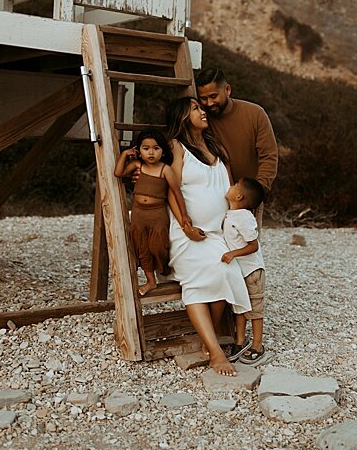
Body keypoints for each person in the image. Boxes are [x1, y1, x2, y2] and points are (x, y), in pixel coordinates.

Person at [163, 96, 251, 377]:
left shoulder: (216, 148)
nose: (203, 111)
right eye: (195, 108)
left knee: (227, 273)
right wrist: (185, 224)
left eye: (201, 107)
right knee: (209, 275)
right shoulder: (177, 147)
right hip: (187, 234)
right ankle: (215, 352)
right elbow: (171, 190)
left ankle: (208, 338)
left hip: (216, 236)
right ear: (181, 116)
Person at [195, 69, 278, 201]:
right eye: (204, 98)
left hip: (250, 198)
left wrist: (257, 191)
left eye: (213, 96)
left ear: (227, 90)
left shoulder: (255, 114)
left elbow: (268, 156)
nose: (209, 103)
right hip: (213, 197)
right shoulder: (200, 119)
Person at [113, 130, 175, 296]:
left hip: (158, 213)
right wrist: (125, 154)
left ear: (162, 151)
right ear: (139, 150)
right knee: (142, 247)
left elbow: (177, 192)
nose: (151, 152)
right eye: (146, 148)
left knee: (158, 246)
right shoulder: (137, 166)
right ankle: (150, 281)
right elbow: (118, 173)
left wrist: (183, 216)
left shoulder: (165, 169)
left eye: (155, 148)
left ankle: (165, 268)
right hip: (139, 213)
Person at [221, 178, 269, 365]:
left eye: (234, 186)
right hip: (239, 270)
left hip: (252, 271)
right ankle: (240, 341)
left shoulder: (244, 217)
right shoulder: (232, 213)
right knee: (240, 306)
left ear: (239, 196)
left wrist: (233, 253)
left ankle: (258, 345)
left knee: (255, 309)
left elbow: (253, 245)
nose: (230, 186)